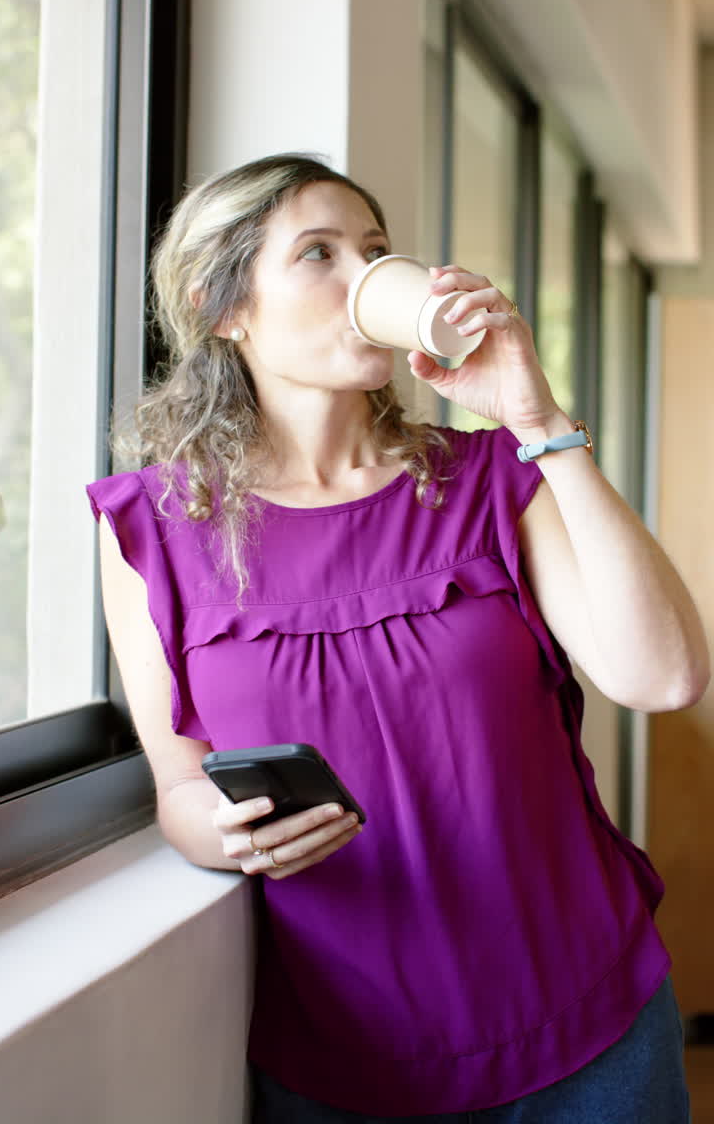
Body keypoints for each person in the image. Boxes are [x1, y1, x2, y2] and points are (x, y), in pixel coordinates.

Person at [87, 153, 708, 1123]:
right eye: (319, 253)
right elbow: (180, 787)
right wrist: (236, 832)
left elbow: (665, 674)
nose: (366, 275)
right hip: (345, 1062)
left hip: (590, 1032)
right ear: (224, 308)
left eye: (376, 249)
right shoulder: (152, 530)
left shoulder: (494, 476)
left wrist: (539, 418)